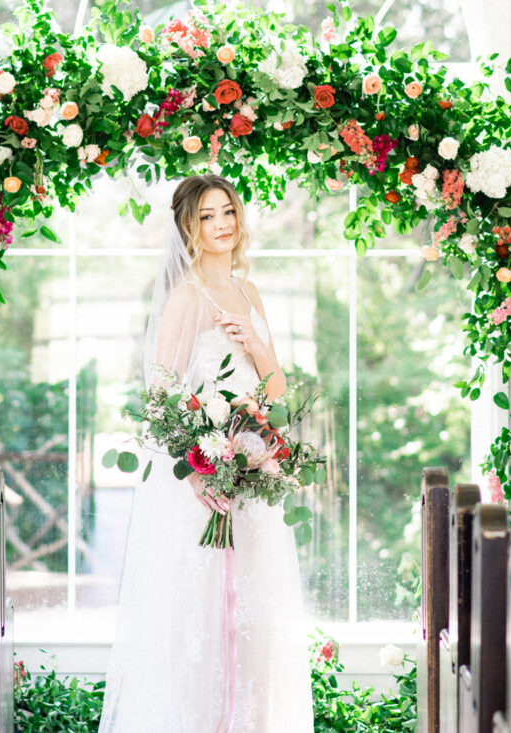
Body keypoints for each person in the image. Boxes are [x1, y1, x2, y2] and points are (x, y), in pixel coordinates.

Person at [99, 175, 313, 732]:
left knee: (254, 618)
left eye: (228, 213)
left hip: (251, 470)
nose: (221, 225)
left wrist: (253, 340)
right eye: (207, 217)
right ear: (189, 228)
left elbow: (277, 388)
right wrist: (196, 471)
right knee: (200, 616)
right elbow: (161, 393)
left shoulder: (249, 289)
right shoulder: (186, 293)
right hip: (200, 482)